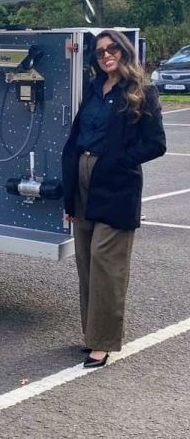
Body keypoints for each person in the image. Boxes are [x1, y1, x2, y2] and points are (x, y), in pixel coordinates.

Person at [62, 29, 165, 368]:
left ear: (124, 51)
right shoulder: (93, 89)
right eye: (99, 51)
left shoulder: (141, 92)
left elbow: (155, 143)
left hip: (116, 184)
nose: (106, 55)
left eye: (112, 49)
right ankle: (92, 333)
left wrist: (119, 160)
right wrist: (69, 196)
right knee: (86, 263)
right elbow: (78, 135)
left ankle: (103, 343)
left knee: (107, 263)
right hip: (82, 178)